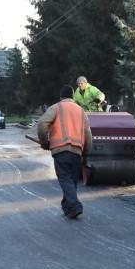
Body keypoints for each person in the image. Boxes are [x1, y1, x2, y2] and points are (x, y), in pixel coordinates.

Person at [38, 85, 93, 218]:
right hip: (77, 151)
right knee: (71, 180)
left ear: (61, 96)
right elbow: (88, 134)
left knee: (65, 179)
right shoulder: (81, 111)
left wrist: (45, 142)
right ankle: (68, 208)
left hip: (61, 150)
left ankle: (75, 205)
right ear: (73, 96)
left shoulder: (56, 107)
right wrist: (85, 154)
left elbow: (42, 124)